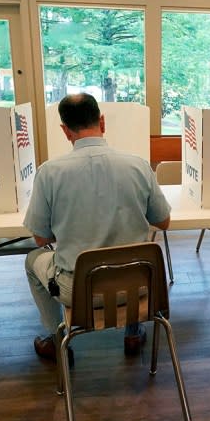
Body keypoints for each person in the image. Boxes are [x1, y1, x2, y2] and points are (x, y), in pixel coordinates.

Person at [23, 93, 171, 362]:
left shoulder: (49, 173)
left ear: (65, 131)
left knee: (33, 260)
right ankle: (134, 332)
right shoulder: (138, 166)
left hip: (80, 292)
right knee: (130, 253)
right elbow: (163, 222)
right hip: (138, 287)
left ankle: (56, 339)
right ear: (102, 122)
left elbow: (41, 238)